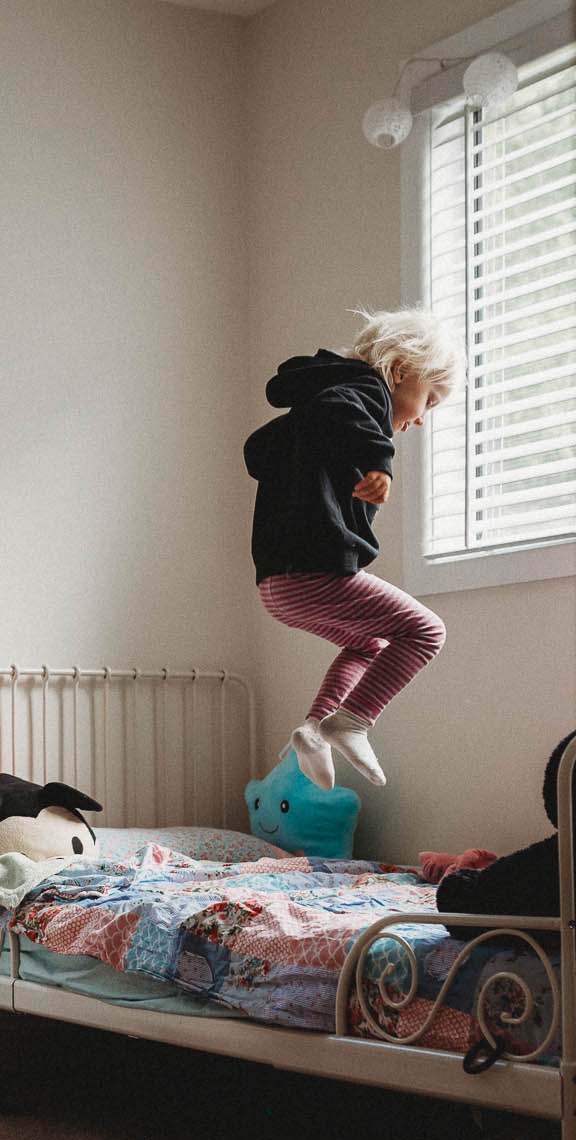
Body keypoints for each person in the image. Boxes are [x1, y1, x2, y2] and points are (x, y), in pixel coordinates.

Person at [244, 307, 462, 789]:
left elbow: (257, 449)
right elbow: (344, 411)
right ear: (400, 370)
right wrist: (379, 460)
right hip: (312, 573)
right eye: (430, 400)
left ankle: (315, 729)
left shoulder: (315, 410)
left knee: (367, 642)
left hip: (277, 586)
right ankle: (354, 720)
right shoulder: (361, 391)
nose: (423, 418)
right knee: (427, 632)